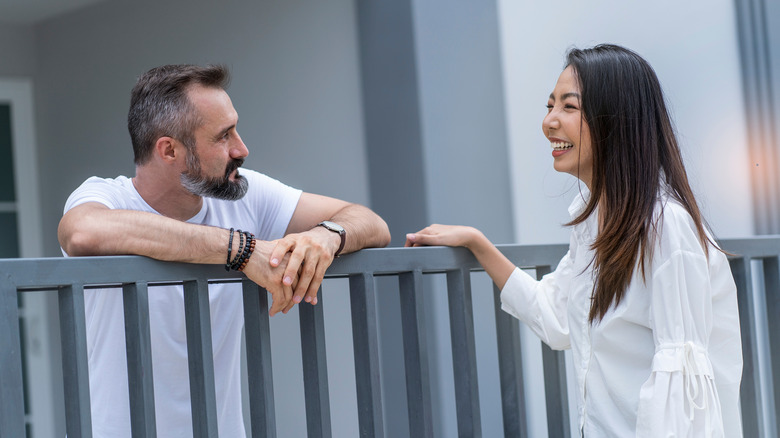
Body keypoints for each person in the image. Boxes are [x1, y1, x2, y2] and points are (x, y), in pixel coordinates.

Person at [406, 44, 742, 437]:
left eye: (569, 107)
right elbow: (557, 317)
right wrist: (478, 245)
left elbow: (683, 399)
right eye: (550, 106)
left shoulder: (666, 226)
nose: (549, 121)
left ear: (617, 119)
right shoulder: (596, 220)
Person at [58, 64, 391, 437]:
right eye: (223, 136)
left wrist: (326, 236)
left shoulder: (246, 193)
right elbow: (82, 232)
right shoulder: (106, 196)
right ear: (169, 150)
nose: (242, 148)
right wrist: (242, 250)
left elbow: (371, 223)